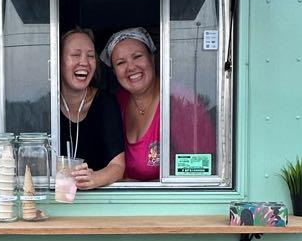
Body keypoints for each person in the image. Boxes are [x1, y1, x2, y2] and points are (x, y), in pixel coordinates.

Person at [102, 27, 216, 181]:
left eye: (137, 56)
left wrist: (142, 188)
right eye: (121, 62)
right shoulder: (117, 102)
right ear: (115, 72)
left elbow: (199, 174)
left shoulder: (182, 103)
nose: (130, 67)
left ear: (152, 58)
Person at [57, 28, 125, 189]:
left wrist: (94, 179)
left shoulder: (105, 103)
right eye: (75, 55)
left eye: (90, 56)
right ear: (58, 61)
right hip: (55, 202)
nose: (84, 62)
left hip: (98, 205)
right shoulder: (46, 104)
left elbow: (118, 166)